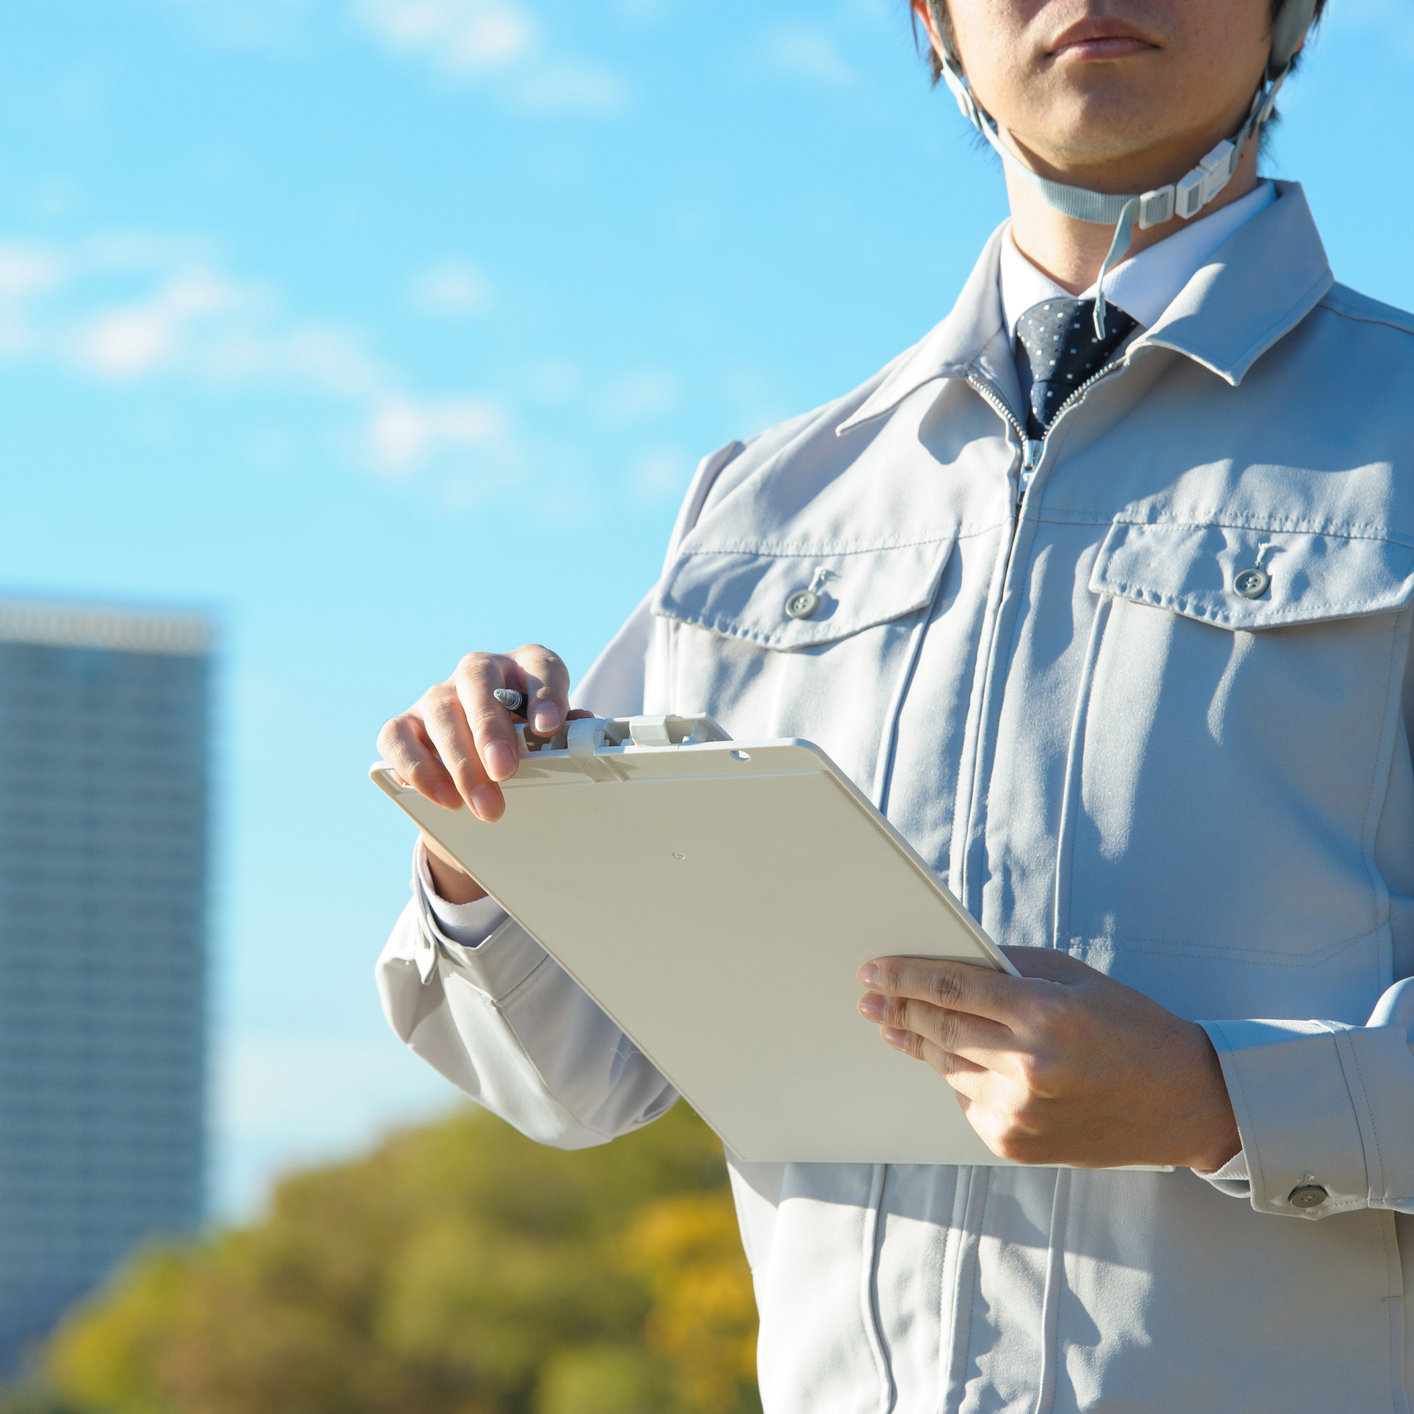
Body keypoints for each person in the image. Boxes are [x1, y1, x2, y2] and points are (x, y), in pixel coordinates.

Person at [374, 0, 1414, 1407]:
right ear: (928, 14)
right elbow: (572, 1080)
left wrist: (1216, 1101)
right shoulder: (762, 507)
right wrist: (481, 844)